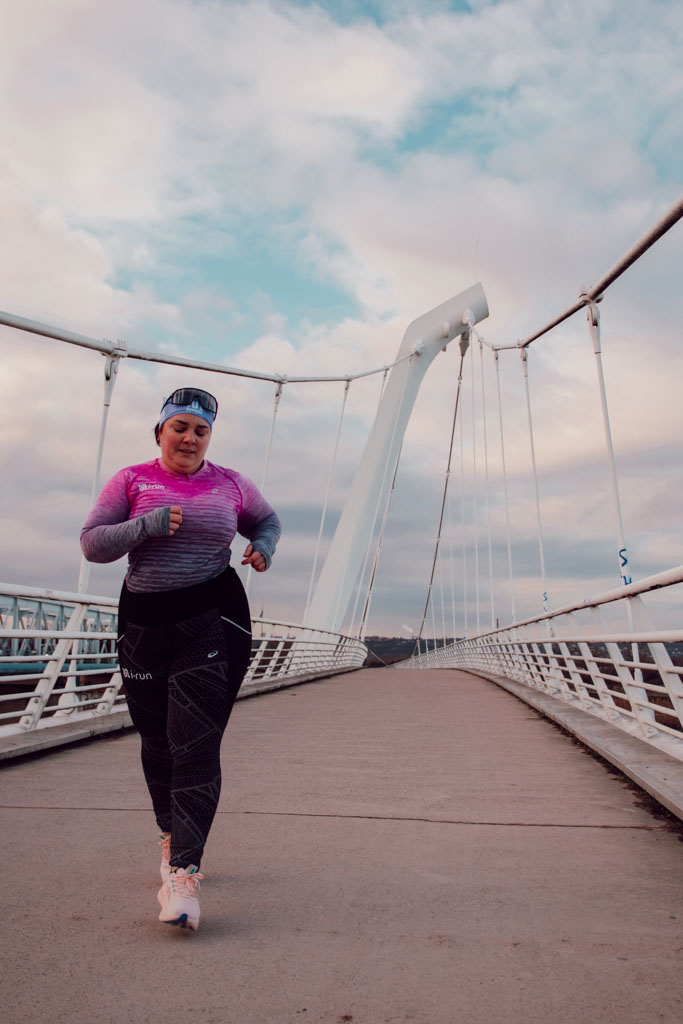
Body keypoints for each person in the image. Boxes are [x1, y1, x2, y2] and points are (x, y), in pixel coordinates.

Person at [80, 387, 281, 931]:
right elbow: (93, 544)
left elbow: (268, 521)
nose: (190, 438)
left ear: (209, 438)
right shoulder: (131, 480)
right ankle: (171, 837)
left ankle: (185, 876)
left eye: (201, 430)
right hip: (144, 623)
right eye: (180, 428)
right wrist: (144, 525)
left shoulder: (231, 483)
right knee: (157, 742)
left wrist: (264, 547)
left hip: (211, 619)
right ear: (160, 432)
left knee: (194, 744)